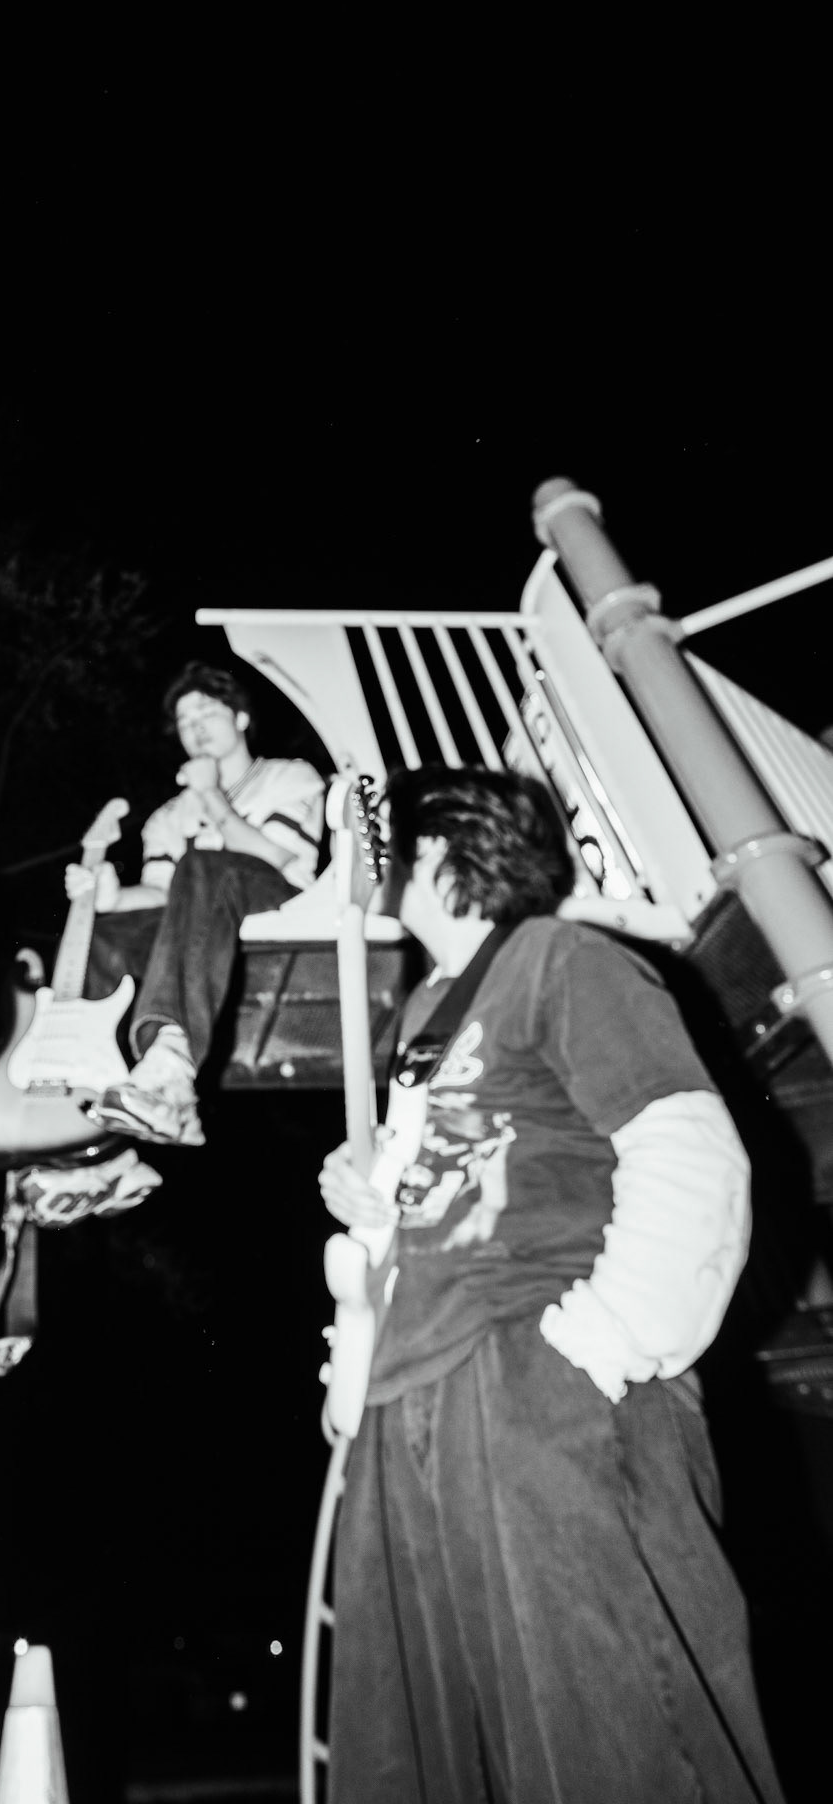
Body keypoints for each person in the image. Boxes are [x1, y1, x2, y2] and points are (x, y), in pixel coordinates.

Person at [319, 765, 785, 1804]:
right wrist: (374, 1190)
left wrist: (605, 1340)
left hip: (535, 1367)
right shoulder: (422, 1012)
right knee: (428, 1753)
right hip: (408, 1389)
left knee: (614, 1731)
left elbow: (684, 1140)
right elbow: (452, 1178)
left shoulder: (560, 958)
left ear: (439, 848)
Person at [70, 660, 325, 1146]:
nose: (196, 728)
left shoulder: (289, 776)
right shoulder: (167, 817)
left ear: (241, 718)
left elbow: (274, 856)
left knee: (206, 865)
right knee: (110, 930)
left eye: (207, 712)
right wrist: (114, 896)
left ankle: (170, 1065)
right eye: (185, 722)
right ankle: (108, 1080)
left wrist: (211, 796)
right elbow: (164, 894)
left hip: (280, 908)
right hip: (204, 925)